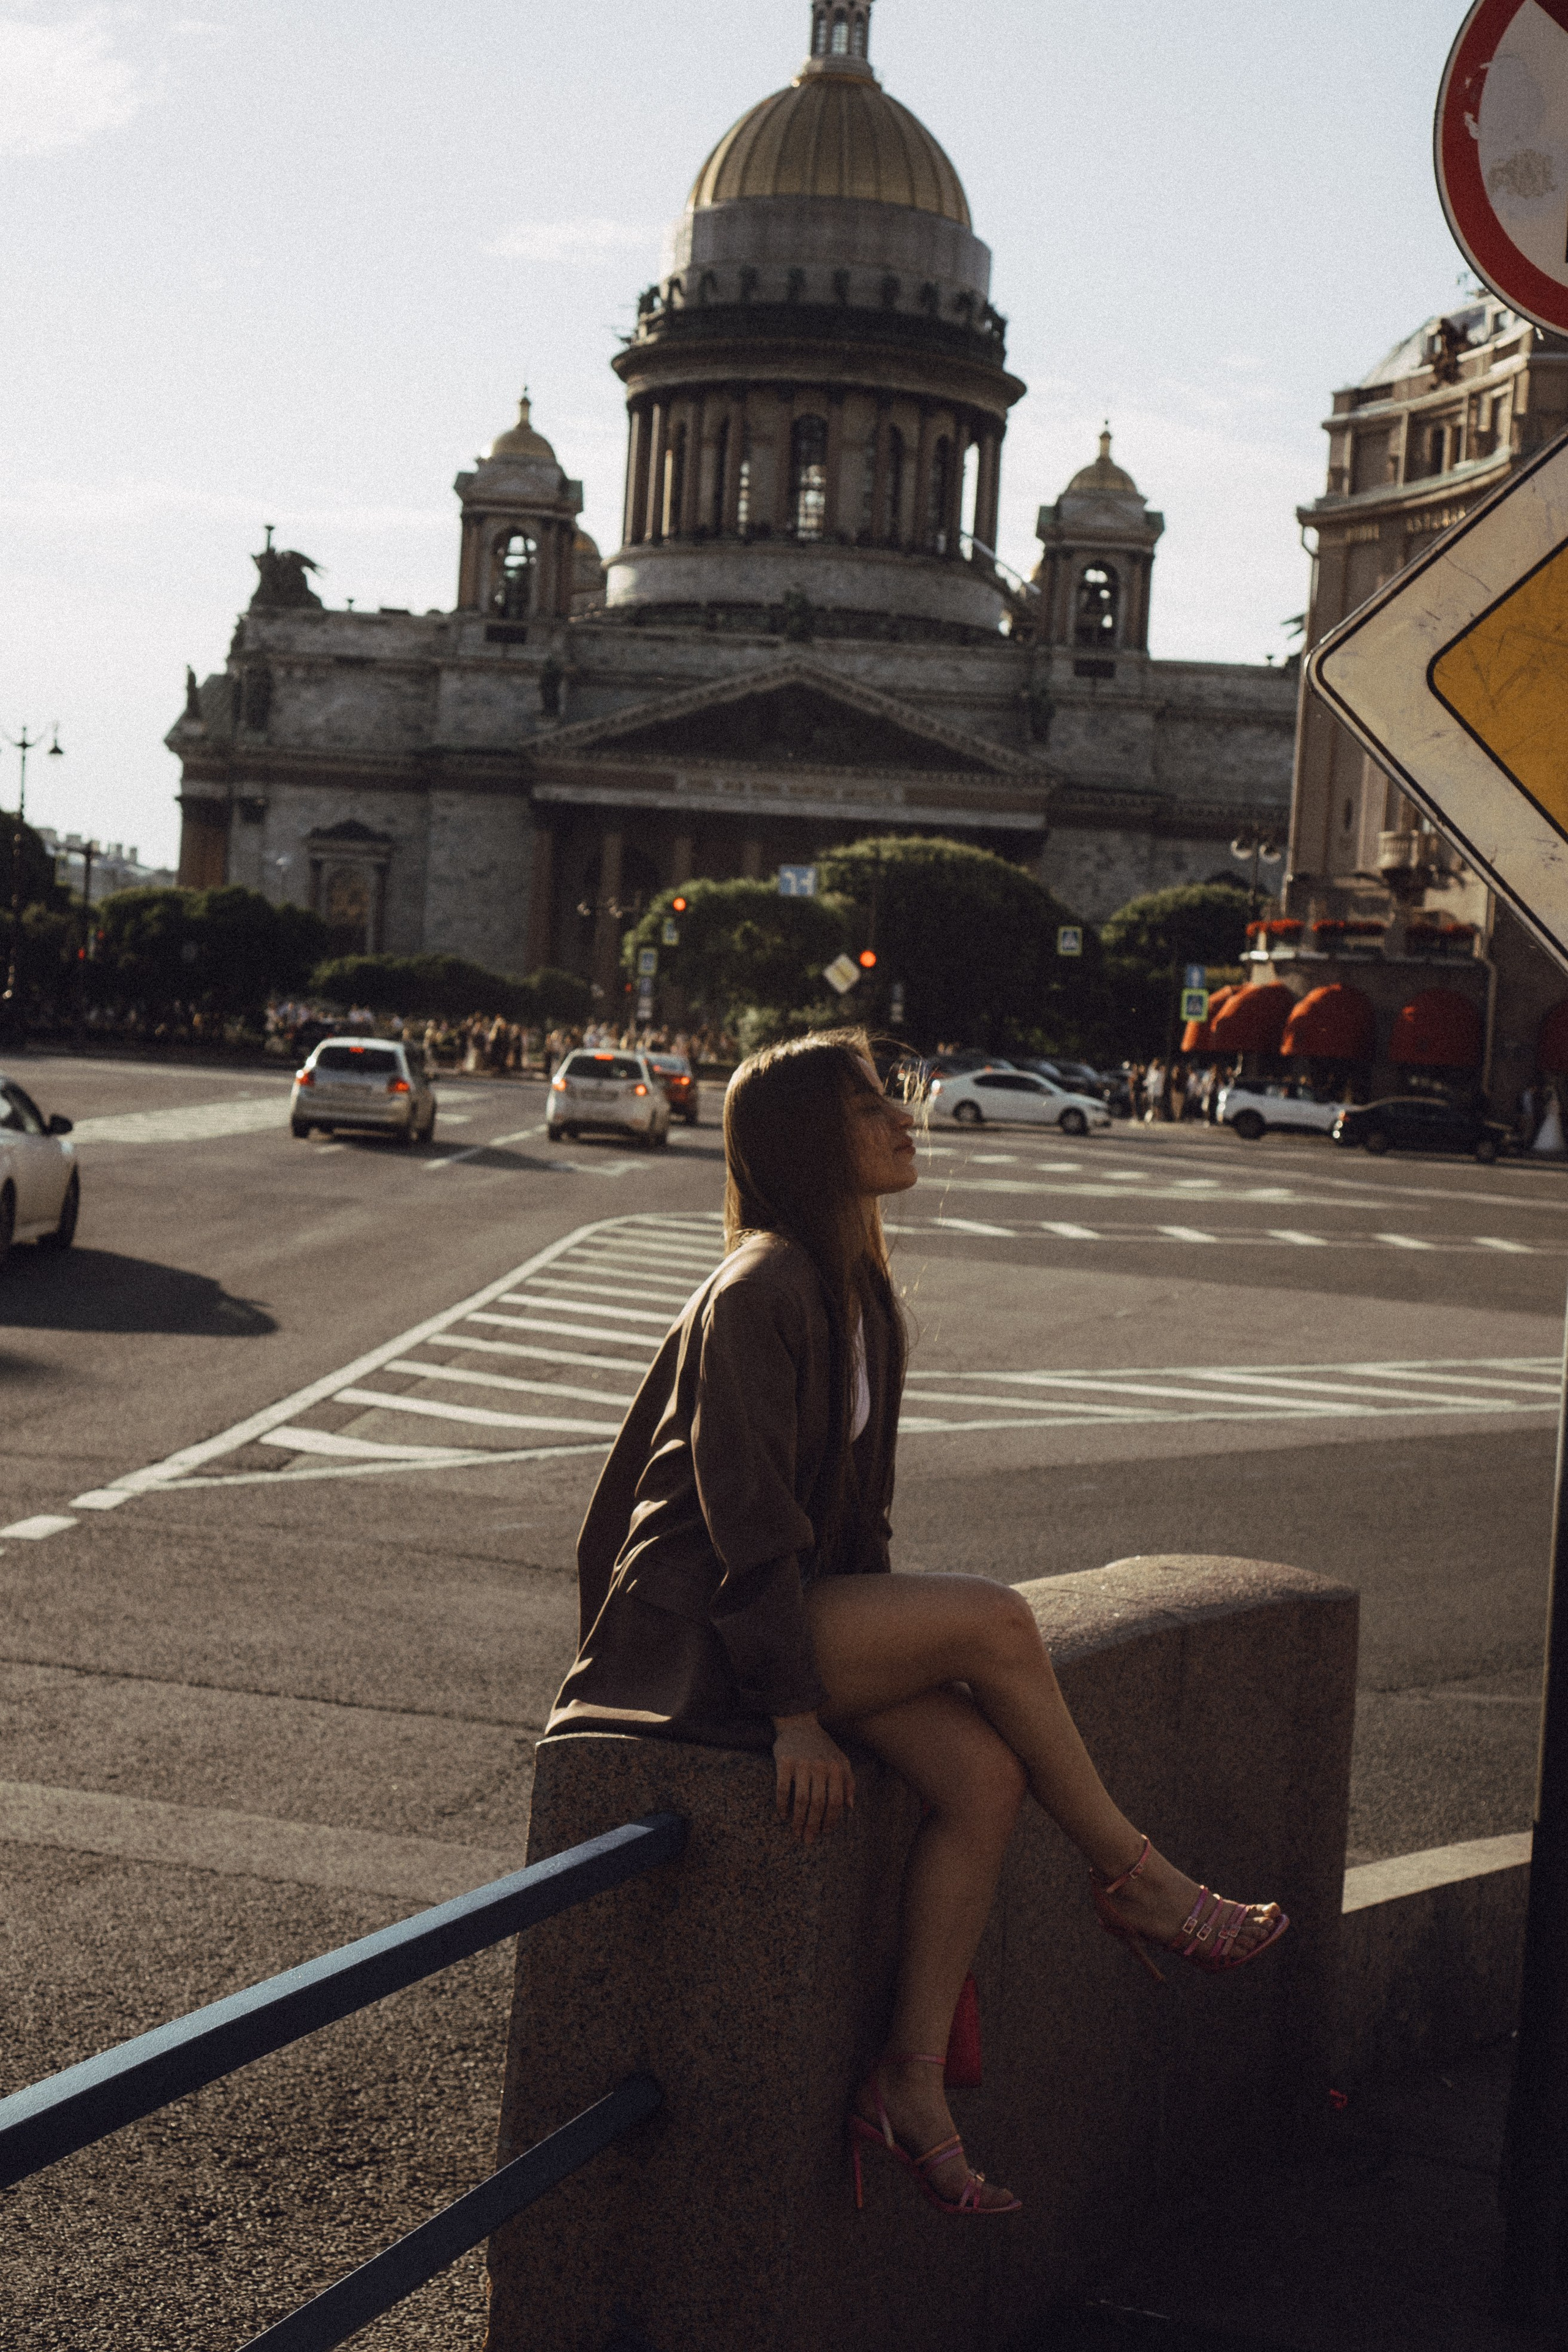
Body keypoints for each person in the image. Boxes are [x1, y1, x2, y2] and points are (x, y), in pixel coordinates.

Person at [546, 1028, 1287, 2220]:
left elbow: (856, 1529)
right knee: (995, 1623)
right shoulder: (758, 1287)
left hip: (783, 1617)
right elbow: (742, 1521)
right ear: (806, 1143)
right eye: (870, 1108)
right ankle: (1137, 1880)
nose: (906, 1121)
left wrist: (881, 1660)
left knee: (984, 1775)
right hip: (692, 1643)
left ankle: (908, 2084)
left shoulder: (860, 1298)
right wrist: (796, 1715)